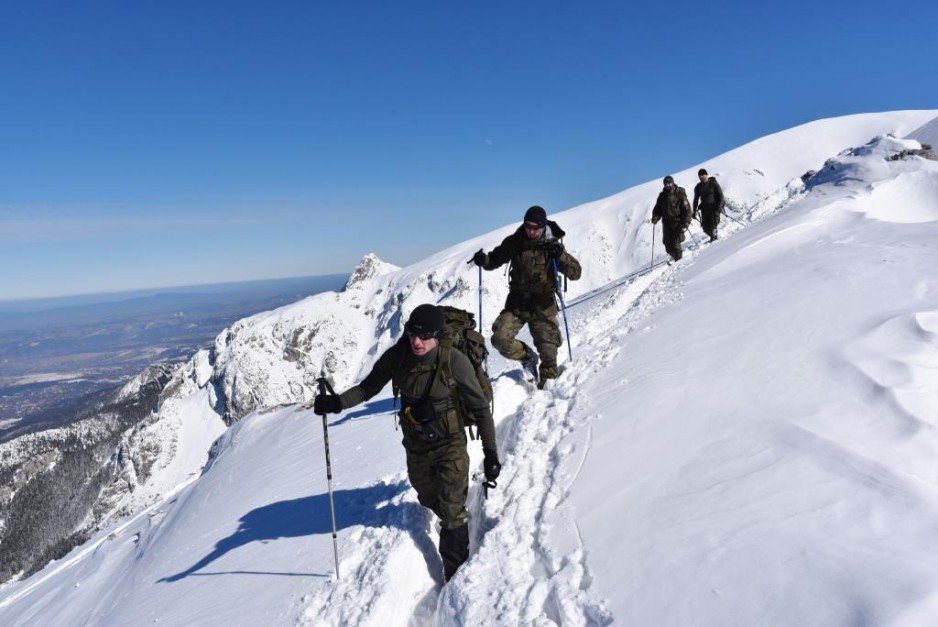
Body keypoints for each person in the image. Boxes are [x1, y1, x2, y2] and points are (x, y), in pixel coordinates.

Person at [313, 304, 500, 582]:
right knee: (426, 494)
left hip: (450, 443)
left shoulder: (454, 361)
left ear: (437, 336)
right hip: (416, 444)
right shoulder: (398, 357)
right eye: (413, 334)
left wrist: (491, 452)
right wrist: (337, 403)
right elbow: (368, 388)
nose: (417, 341)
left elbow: (481, 407)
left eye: (424, 336)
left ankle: (456, 577)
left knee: (450, 512)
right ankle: (454, 508)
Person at [471, 205, 581, 388]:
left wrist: (560, 256)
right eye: (527, 226)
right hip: (518, 304)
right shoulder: (515, 242)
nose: (530, 231)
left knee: (549, 358)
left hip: (543, 306)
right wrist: (485, 260)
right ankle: (527, 357)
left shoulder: (553, 246)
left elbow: (576, 273)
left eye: (535, 228)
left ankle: (548, 391)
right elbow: (494, 260)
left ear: (543, 226)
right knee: (500, 339)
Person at [651, 175, 692, 261]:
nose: (668, 185)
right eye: (666, 184)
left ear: (673, 183)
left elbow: (687, 209)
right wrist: (655, 217)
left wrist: (687, 221)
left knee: (676, 245)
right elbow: (658, 209)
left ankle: (680, 262)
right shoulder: (662, 196)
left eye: (669, 183)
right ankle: (677, 259)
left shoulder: (680, 193)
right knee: (668, 247)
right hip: (666, 224)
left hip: (677, 222)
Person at [693, 168, 725, 242]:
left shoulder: (713, 183)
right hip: (704, 208)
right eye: (700, 176)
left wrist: (719, 206)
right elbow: (696, 200)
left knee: (713, 224)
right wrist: (694, 211)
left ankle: (715, 239)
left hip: (714, 207)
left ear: (706, 175)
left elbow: (721, 195)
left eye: (703, 175)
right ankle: (713, 236)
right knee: (705, 228)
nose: (701, 177)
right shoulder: (698, 187)